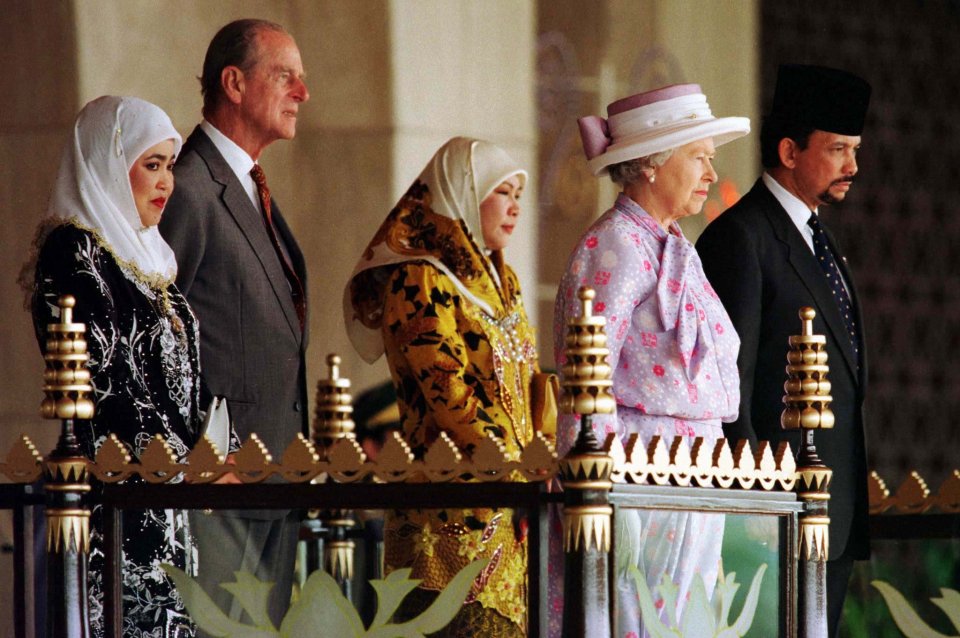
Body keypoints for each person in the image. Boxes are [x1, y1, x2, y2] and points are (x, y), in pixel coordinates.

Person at [553, 84, 749, 637]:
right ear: (651, 167)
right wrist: (589, 486)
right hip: (639, 475)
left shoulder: (674, 246)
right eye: (699, 158)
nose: (711, 174)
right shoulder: (614, 243)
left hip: (689, 472)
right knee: (642, 617)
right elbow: (583, 371)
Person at [26, 95, 224, 637]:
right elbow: (108, 379)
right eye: (151, 165)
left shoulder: (150, 259)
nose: (167, 183)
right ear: (110, 165)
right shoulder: (74, 252)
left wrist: (207, 450)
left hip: (170, 497)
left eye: (170, 166)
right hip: (116, 500)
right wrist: (184, 460)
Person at [696, 64, 871, 637]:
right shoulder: (740, 236)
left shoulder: (819, 237)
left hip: (829, 510)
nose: (852, 166)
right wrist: (755, 510)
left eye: (855, 150)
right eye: (839, 149)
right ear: (790, 150)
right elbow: (731, 389)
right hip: (776, 512)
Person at [345, 137, 539, 637]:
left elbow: (530, 381)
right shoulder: (421, 279)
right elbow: (448, 390)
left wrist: (537, 462)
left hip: (510, 503)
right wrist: (516, 466)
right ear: (462, 194)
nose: (515, 205)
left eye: (519, 192)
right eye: (502, 191)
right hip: (446, 508)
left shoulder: (506, 283)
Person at [157, 18, 309, 628]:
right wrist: (198, 453)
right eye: (286, 77)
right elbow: (156, 334)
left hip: (272, 479)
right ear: (235, 83)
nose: (303, 93)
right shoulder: (190, 188)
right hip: (218, 487)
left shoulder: (246, 184)